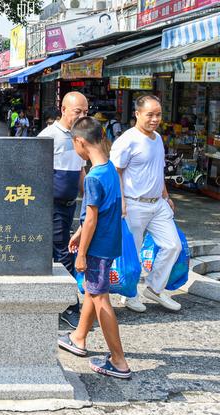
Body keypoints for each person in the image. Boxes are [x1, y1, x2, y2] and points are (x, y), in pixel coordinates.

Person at [58, 116, 131, 380]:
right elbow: (100, 212)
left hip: (97, 246)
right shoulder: (109, 169)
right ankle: (78, 338)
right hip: (109, 241)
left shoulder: (93, 178)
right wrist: (78, 233)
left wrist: (81, 253)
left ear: (80, 142)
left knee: (100, 298)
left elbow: (91, 219)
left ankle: (119, 361)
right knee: (92, 290)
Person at [110, 95, 182, 313]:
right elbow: (115, 173)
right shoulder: (127, 140)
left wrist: (167, 196)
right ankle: (130, 294)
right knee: (133, 252)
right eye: (150, 114)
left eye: (158, 114)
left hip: (157, 203)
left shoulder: (157, 138)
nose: (154, 119)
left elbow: (157, 171)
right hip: (133, 204)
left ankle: (155, 288)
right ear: (138, 114)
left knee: (173, 245)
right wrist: (121, 202)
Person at [38, 92, 88, 329]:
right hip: (51, 207)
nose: (82, 115)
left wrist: (89, 196)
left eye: (86, 111)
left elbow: (79, 172)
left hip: (70, 207)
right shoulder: (48, 136)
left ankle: (56, 302)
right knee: (64, 252)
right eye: (77, 111)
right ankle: (70, 306)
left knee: (59, 252)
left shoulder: (80, 137)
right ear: (63, 109)